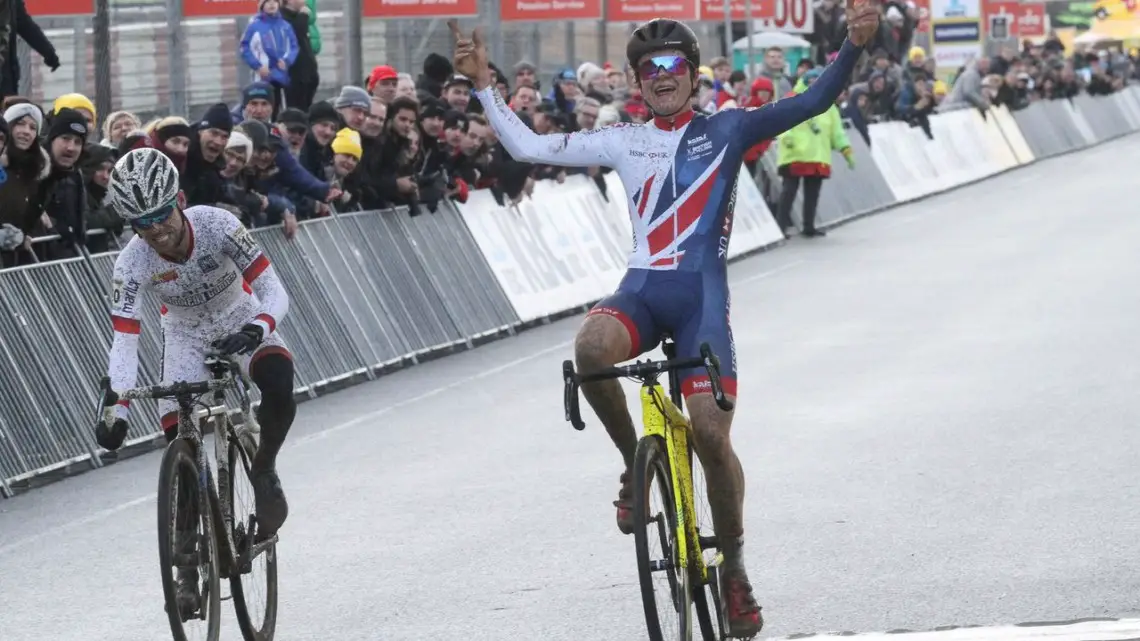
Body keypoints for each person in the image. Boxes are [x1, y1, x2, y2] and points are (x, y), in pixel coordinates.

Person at [449, 3, 879, 638]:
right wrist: (484, 86)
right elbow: (529, 144)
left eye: (674, 62)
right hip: (644, 292)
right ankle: (634, 464)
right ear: (634, 80)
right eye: (648, 67)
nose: (661, 73)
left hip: (701, 303)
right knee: (590, 346)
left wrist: (853, 46)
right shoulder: (622, 137)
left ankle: (733, 568)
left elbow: (813, 101)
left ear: (694, 73)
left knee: (710, 435)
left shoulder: (729, 128)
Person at [93, 148, 296, 614]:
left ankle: (263, 466)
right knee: (179, 441)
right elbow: (124, 340)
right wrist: (116, 407)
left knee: (280, 385)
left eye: (162, 214)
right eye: (141, 222)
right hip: (183, 334)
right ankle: (186, 569)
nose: (156, 230)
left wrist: (258, 327)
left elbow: (273, 289)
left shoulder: (218, 224)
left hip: (240, 316)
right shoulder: (132, 263)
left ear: (179, 199)